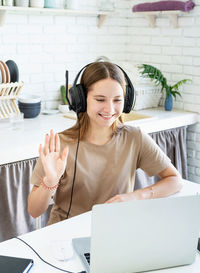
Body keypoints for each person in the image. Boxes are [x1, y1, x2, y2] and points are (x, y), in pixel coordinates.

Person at [28, 61, 183, 225]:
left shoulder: (134, 138)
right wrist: (49, 183)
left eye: (117, 100)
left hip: (115, 231)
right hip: (66, 235)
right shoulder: (60, 145)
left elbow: (175, 180)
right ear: (81, 99)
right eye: (100, 99)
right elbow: (34, 210)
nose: (109, 109)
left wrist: (137, 196)